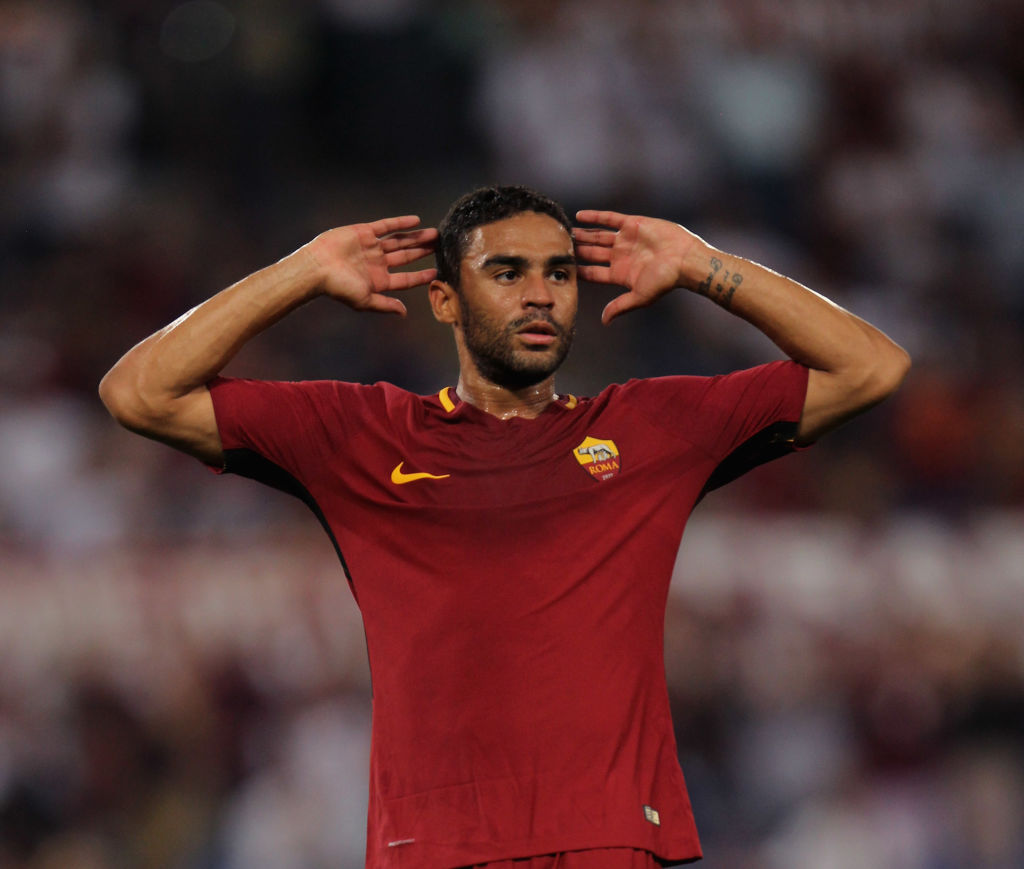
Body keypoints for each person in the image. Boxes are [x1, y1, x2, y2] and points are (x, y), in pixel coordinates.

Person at [99, 185, 910, 868]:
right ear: (444, 298)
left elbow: (872, 366)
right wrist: (300, 273)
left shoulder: (653, 427)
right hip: (434, 841)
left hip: (609, 836)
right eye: (507, 271)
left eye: (559, 273)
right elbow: (141, 392)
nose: (539, 294)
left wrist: (705, 267)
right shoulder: (362, 433)